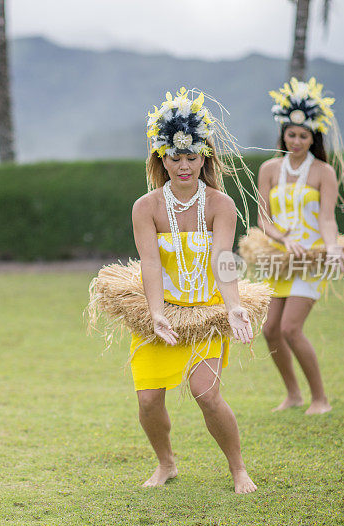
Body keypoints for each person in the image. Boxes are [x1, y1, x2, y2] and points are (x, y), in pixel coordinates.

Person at [89, 89, 270, 493]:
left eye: (192, 157)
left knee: (206, 393)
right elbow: (150, 264)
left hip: (204, 313)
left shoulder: (220, 205)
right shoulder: (146, 207)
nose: (184, 166)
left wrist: (235, 305)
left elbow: (224, 258)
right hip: (163, 313)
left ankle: (239, 469)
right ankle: (166, 464)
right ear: (161, 159)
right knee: (149, 400)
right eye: (175, 157)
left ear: (204, 157)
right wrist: (155, 313)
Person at [250, 77, 344, 415]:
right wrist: (282, 239)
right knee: (270, 330)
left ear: (313, 138)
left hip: (310, 259)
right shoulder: (268, 169)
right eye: (290, 135)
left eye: (303, 136)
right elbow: (263, 220)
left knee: (291, 328)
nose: (295, 141)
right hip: (279, 258)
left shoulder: (324, 172)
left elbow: (326, 220)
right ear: (283, 135)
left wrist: (333, 247)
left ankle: (320, 398)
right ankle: (293, 394)